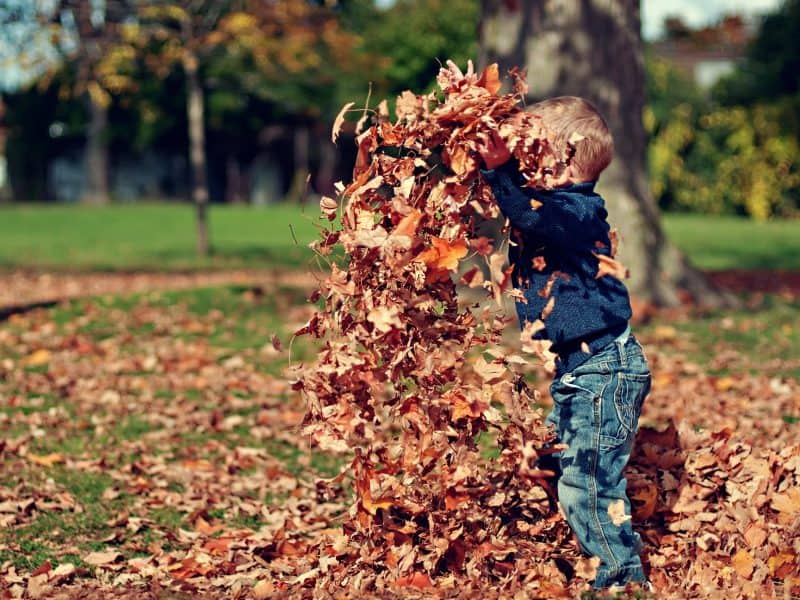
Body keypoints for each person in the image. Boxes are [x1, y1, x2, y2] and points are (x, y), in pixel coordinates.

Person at [479, 96, 652, 591]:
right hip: (582, 372)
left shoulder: (577, 211)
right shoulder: (556, 207)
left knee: (589, 484)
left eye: (529, 155)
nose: (520, 164)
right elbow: (522, 208)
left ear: (558, 161)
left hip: (604, 371)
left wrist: (499, 173)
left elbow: (531, 216)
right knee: (555, 459)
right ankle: (570, 541)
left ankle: (621, 579)